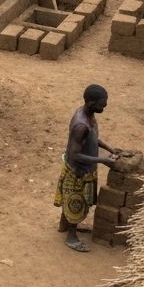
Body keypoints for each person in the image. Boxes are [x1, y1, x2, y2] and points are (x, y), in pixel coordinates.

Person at [54, 85, 122, 252]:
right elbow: (74, 154)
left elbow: (93, 138)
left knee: (74, 200)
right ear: (91, 103)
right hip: (78, 170)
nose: (104, 107)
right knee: (77, 202)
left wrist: (110, 148)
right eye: (102, 104)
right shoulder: (81, 125)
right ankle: (71, 236)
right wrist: (103, 160)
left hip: (86, 167)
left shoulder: (88, 114)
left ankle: (65, 225)